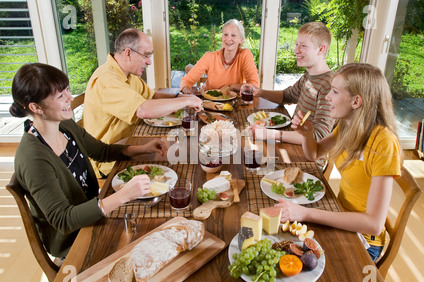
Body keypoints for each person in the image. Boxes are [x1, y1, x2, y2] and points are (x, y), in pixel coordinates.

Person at [10, 63, 168, 259]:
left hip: (97, 212)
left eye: (67, 89)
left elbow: (101, 151)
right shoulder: (33, 158)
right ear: (35, 107)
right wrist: (124, 195)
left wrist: (143, 149)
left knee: (163, 228)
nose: (70, 97)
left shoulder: (64, 125)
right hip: (77, 240)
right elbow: (63, 220)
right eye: (60, 96)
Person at [276, 63, 402, 261]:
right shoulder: (347, 125)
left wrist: (307, 214)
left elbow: (374, 224)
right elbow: (314, 154)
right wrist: (307, 134)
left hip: (363, 240)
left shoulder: (384, 143)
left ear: (356, 101)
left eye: (334, 92)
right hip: (339, 214)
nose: (327, 97)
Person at [83, 28, 202, 178]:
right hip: (111, 160)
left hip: (132, 142)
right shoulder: (108, 81)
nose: (149, 62)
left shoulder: (127, 74)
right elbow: (144, 110)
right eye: (146, 55)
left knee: (181, 154)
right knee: (180, 164)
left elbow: (152, 96)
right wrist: (186, 100)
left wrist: (180, 96)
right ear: (128, 53)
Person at [244, 21, 335, 144]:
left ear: (321, 49)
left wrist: (270, 134)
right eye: (297, 44)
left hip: (307, 157)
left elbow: (319, 136)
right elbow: (288, 96)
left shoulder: (329, 86)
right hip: (294, 141)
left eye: (303, 46)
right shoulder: (309, 76)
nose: (296, 50)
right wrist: (259, 92)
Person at [180, 19, 259, 94]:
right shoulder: (209, 57)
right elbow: (186, 81)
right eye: (225, 34)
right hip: (209, 101)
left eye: (233, 35)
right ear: (222, 37)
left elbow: (254, 86)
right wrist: (187, 92)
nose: (228, 39)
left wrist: (230, 87)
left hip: (234, 103)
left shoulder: (245, 55)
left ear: (241, 39)